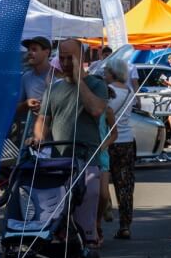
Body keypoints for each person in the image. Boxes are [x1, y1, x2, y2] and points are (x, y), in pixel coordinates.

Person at [31, 40, 109, 241]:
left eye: (69, 58)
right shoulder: (53, 88)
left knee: (86, 210)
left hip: (87, 161)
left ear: (82, 58)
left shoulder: (97, 85)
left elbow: (95, 110)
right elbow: (42, 120)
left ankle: (88, 245)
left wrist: (78, 79)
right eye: (61, 58)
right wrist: (38, 137)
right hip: (59, 162)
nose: (64, 62)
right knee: (58, 218)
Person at [104, 59, 138, 240]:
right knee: (125, 185)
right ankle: (125, 225)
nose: (104, 74)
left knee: (102, 178)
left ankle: (106, 206)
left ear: (112, 72)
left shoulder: (107, 92)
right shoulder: (129, 91)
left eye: (106, 71)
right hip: (127, 140)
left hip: (109, 141)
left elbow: (103, 113)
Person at [14, 37, 54, 147]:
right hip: (32, 139)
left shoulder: (58, 75)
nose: (30, 53)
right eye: (29, 50)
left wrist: (46, 107)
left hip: (56, 140)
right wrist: (27, 103)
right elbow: (16, 108)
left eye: (34, 49)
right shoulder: (26, 77)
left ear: (46, 52)